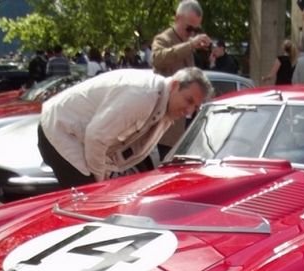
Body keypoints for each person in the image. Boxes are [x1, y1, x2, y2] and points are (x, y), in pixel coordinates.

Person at [37, 67, 212, 188]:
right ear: (174, 85)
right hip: (60, 131)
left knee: (94, 198)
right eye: (188, 100)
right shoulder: (143, 96)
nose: (189, 111)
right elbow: (96, 137)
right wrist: (99, 180)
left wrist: (104, 176)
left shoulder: (164, 107)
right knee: (88, 200)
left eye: (195, 107)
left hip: (79, 136)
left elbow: (119, 148)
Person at [151, 0, 212, 159]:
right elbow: (158, 59)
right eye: (189, 28)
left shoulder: (188, 43)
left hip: (185, 123)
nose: (192, 33)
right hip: (165, 126)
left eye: (195, 29)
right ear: (177, 18)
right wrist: (190, 45)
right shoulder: (163, 39)